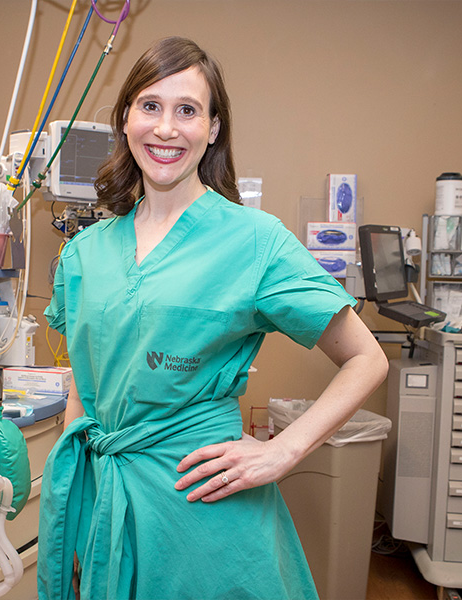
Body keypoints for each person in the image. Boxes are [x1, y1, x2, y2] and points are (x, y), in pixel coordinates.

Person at [38, 36, 388, 600]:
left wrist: (284, 450)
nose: (167, 128)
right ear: (125, 119)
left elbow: (367, 359)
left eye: (188, 110)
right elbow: (84, 388)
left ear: (213, 128)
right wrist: (80, 518)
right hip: (108, 503)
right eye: (150, 106)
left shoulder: (254, 241)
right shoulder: (85, 252)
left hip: (203, 505)